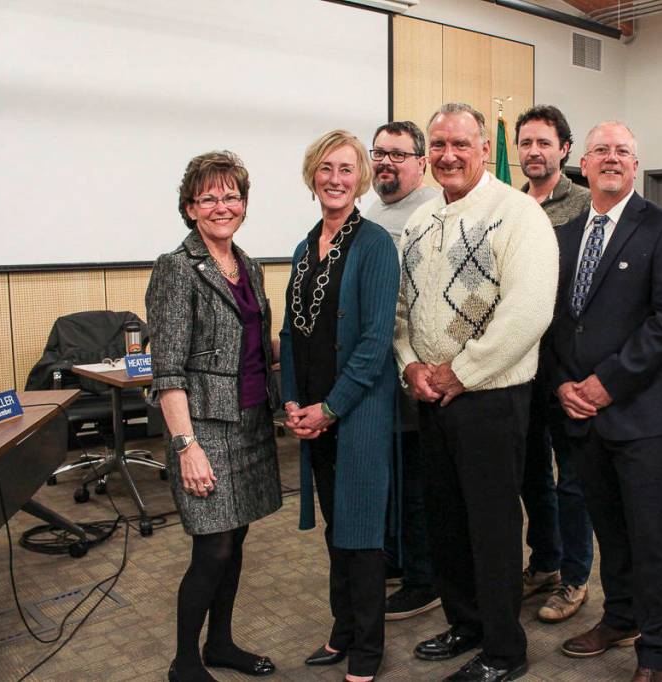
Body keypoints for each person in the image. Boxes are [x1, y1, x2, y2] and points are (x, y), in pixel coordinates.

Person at [394, 102, 558, 682]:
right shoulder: (418, 222)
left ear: (486, 150)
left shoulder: (517, 214)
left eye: (461, 144)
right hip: (433, 397)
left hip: (491, 397)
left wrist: (462, 371)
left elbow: (530, 310)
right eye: (437, 145)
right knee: (446, 519)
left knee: (491, 526)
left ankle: (504, 650)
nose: (448, 155)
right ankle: (466, 621)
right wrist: (411, 365)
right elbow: (402, 312)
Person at [546, 121, 662, 682]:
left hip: (641, 414)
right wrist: (563, 383)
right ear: (582, 165)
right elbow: (554, 321)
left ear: (636, 165)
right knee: (608, 527)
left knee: (649, 533)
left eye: (623, 152)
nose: (612, 158)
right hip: (580, 414)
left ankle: (656, 651)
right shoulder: (562, 236)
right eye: (601, 150)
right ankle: (620, 617)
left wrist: (608, 382)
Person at [146, 150, 281, 682]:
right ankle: (185, 661)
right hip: (203, 428)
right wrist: (187, 446)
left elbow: (253, 345)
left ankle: (220, 644)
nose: (222, 205)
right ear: (189, 208)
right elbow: (168, 369)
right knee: (213, 546)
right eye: (210, 197)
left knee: (236, 540)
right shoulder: (177, 268)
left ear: (243, 203)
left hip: (250, 421)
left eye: (231, 195)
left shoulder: (247, 264)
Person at [280, 130, 400, 682]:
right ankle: (343, 628)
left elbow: (376, 342)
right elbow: (290, 332)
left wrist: (329, 408)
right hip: (313, 417)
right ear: (313, 175)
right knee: (336, 530)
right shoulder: (306, 248)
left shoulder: (374, 244)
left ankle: (367, 648)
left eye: (346, 169)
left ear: (362, 178)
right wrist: (291, 403)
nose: (335, 179)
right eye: (326, 168)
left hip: (358, 415)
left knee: (361, 535)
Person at [514, 104, 594, 624]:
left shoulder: (586, 204)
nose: (534, 152)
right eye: (526, 143)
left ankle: (574, 576)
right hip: (515, 365)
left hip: (565, 364)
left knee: (573, 478)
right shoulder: (507, 205)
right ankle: (543, 562)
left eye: (545, 142)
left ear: (564, 149)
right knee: (529, 475)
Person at [366, 121, 441, 621]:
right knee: (390, 476)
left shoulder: (434, 212)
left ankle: (424, 578)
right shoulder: (375, 209)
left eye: (397, 154)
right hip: (380, 367)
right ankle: (397, 559)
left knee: (417, 481)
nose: (386, 163)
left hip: (415, 366)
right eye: (379, 154)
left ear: (421, 161)